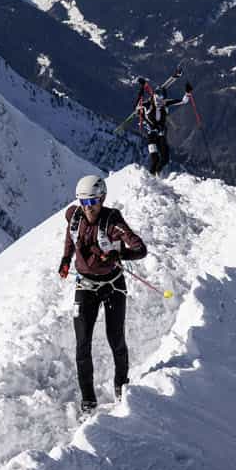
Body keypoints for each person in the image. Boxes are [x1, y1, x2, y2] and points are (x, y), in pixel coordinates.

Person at [58, 174, 147, 412]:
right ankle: (88, 401)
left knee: (115, 339)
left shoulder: (112, 221)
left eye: (93, 202)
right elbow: (70, 236)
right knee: (82, 344)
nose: (89, 208)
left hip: (112, 286)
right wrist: (66, 260)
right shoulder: (74, 216)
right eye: (84, 203)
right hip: (85, 285)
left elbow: (140, 249)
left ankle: (122, 387)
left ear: (102, 198)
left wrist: (119, 255)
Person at [136, 76, 194, 176]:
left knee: (165, 158)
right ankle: (150, 178)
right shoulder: (147, 105)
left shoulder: (165, 103)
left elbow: (183, 101)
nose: (160, 103)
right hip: (151, 136)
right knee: (155, 159)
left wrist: (188, 93)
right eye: (158, 100)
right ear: (154, 97)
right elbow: (137, 106)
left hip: (161, 135)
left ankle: (157, 173)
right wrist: (142, 87)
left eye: (162, 100)